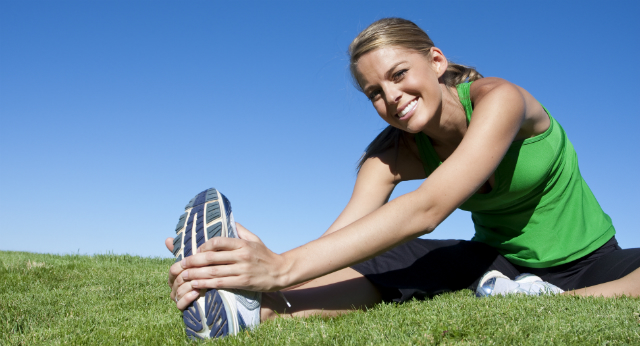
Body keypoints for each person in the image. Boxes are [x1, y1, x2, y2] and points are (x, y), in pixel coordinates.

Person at [164, 18, 640, 339]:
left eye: (398, 74)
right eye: (375, 91)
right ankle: (259, 313)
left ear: (435, 62)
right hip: (497, 264)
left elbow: (429, 208)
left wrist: (283, 264)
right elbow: (348, 236)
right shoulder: (394, 153)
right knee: (389, 260)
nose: (391, 97)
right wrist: (262, 279)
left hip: (592, 259)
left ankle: (555, 300)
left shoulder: (502, 100)